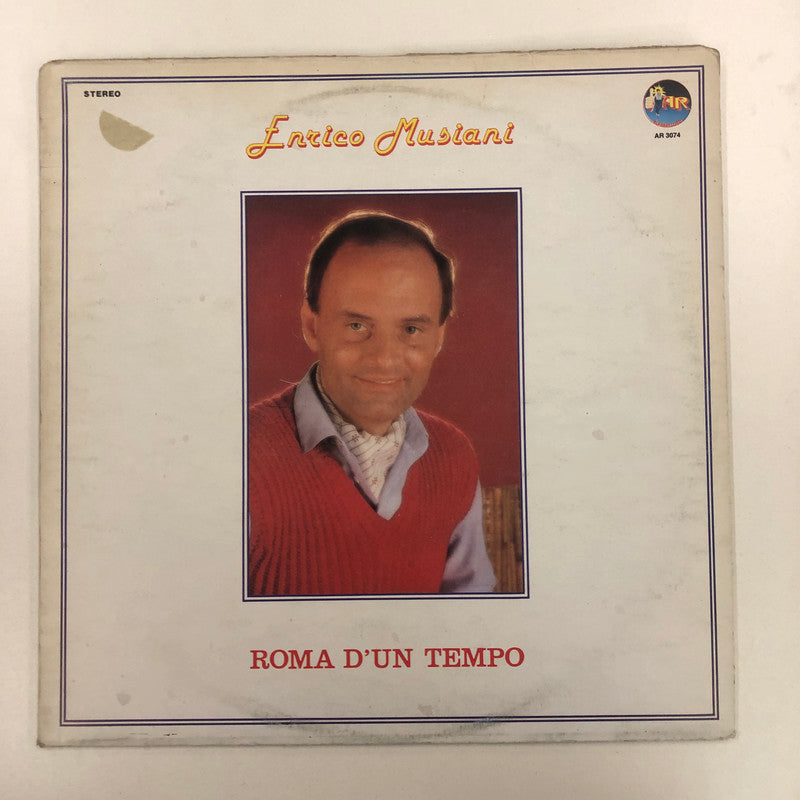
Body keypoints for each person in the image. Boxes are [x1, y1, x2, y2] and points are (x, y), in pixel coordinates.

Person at [248, 212, 495, 596]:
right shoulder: (242, 454)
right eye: (357, 326)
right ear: (312, 327)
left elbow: (473, 608)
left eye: (411, 329)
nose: (384, 359)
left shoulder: (454, 456)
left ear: (438, 338)